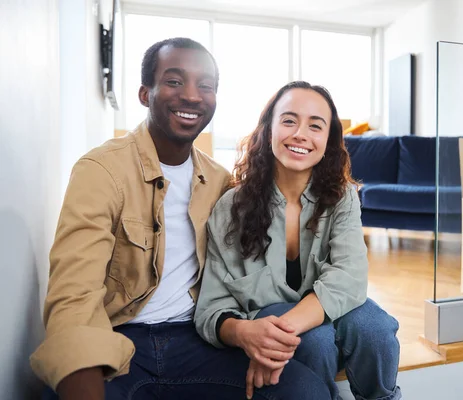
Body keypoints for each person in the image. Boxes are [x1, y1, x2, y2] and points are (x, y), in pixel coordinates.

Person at [32, 38, 329, 400]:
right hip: (119, 342)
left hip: (197, 339)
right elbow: (73, 295)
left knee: (305, 391)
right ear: (145, 93)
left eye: (205, 86)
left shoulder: (220, 182)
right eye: (174, 82)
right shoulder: (101, 171)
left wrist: (249, 334)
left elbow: (245, 276)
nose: (192, 96)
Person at [195, 81, 402, 400]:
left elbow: (350, 276)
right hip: (266, 318)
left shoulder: (343, 196)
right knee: (313, 340)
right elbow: (212, 308)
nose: (300, 134)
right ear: (268, 130)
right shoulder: (230, 208)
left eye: (315, 125)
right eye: (289, 120)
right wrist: (256, 339)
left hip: (304, 316)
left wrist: (281, 334)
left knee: (376, 327)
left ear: (329, 140)